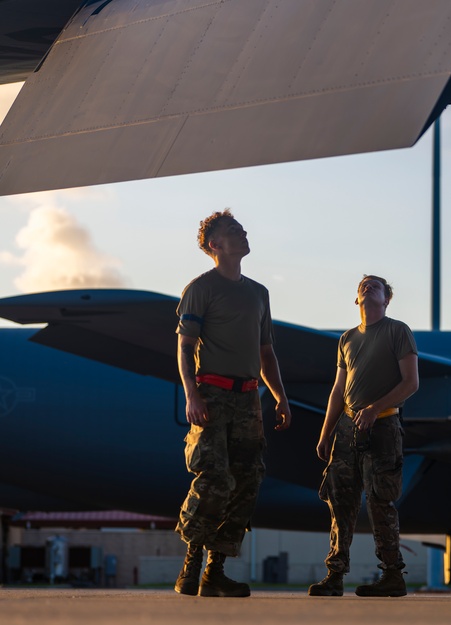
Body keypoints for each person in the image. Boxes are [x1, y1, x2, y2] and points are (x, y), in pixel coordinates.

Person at [173, 209, 292, 598]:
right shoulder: (201, 288)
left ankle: (216, 572)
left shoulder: (259, 293)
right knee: (213, 479)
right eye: (233, 231)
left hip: (248, 400)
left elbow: (266, 353)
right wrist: (191, 394)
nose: (243, 233)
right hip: (212, 395)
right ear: (215, 245)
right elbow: (185, 346)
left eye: (242, 229)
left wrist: (280, 398)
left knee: (247, 482)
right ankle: (192, 564)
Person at [309, 275, 419, 597]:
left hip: (383, 427)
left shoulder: (398, 331)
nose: (368, 288)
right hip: (346, 428)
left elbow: (411, 383)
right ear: (356, 300)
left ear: (386, 299)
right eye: (363, 286)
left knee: (379, 501)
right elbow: (338, 390)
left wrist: (374, 409)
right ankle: (335, 576)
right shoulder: (346, 339)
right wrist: (326, 432)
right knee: (340, 502)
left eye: (376, 286)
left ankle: (392, 575)